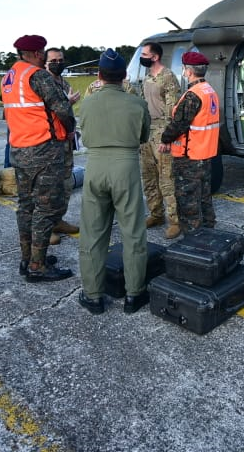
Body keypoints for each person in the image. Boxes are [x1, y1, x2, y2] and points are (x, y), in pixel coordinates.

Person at [75, 49, 151, 314]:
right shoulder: (137, 103)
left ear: (99, 76)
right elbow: (143, 137)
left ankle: (93, 296)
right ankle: (134, 295)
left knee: (93, 233)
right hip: (126, 167)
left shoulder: (87, 103)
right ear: (124, 76)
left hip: (95, 167)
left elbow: (83, 138)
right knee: (133, 232)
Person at [1, 34, 75, 282]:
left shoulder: (9, 77)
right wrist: (71, 127)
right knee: (45, 208)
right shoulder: (38, 75)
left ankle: (28, 258)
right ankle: (37, 266)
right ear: (35, 54)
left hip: (20, 150)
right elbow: (62, 108)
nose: (44, 56)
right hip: (44, 150)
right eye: (42, 52)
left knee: (26, 206)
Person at [160, 52, 220, 232]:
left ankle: (192, 239)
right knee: (204, 197)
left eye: (184, 68)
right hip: (206, 154)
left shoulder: (192, 95)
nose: (184, 71)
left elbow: (179, 124)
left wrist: (165, 139)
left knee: (188, 201)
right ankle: (209, 231)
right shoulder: (210, 91)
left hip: (189, 157)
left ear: (189, 71)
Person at [136, 42, 182, 238]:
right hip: (147, 132)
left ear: (155, 57)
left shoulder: (168, 77)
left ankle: (174, 220)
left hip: (162, 132)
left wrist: (167, 137)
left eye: (145, 54)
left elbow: (174, 111)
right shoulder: (147, 77)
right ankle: (156, 214)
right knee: (148, 177)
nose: (142, 57)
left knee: (166, 178)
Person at [44, 48, 81, 242]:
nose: (58, 63)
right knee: (49, 186)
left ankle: (58, 220)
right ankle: (46, 227)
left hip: (66, 141)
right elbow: (48, 113)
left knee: (65, 184)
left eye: (60, 60)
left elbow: (65, 112)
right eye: (53, 60)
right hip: (50, 143)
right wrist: (68, 103)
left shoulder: (64, 83)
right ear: (45, 62)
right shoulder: (43, 84)